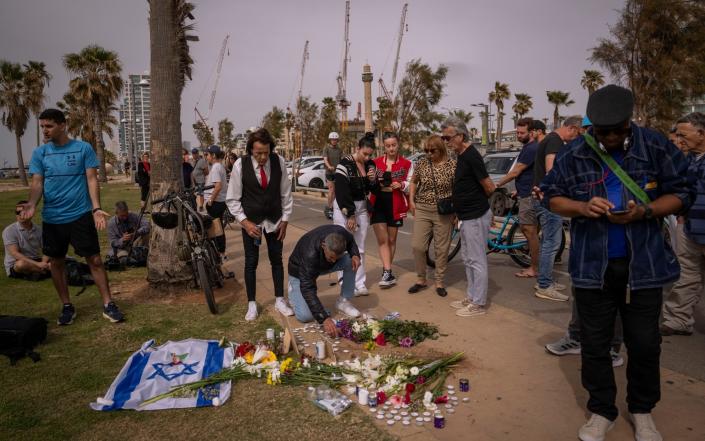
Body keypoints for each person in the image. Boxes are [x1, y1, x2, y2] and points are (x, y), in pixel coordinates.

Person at [543, 85, 691, 441]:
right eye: (602, 132)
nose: (609, 138)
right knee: (594, 343)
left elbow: (683, 192)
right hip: (592, 267)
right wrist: (581, 207)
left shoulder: (654, 145)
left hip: (645, 266)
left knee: (643, 343)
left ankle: (642, 411)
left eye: (617, 131)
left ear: (629, 123)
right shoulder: (575, 151)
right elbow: (551, 195)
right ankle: (601, 411)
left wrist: (647, 211)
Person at [21, 108, 125, 325]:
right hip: (53, 218)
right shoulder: (40, 153)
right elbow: (38, 183)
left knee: (95, 260)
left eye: (49, 126)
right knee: (56, 263)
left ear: (62, 125)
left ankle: (108, 304)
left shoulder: (82, 149)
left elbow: (92, 180)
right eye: (42, 127)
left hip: (80, 215)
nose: (45, 131)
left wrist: (96, 208)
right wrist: (31, 203)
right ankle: (67, 306)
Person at [226, 128, 294, 321]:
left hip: (275, 220)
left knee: (277, 260)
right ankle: (252, 304)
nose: (263, 157)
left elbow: (285, 194)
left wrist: (286, 219)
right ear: (251, 151)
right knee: (251, 262)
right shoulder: (241, 165)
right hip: (252, 222)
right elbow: (232, 199)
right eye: (258, 153)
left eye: (266, 152)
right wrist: (245, 223)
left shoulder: (278, 162)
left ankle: (280, 299)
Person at [444, 116, 496, 317]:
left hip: (475, 215)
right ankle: (472, 296)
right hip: (466, 216)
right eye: (444, 138)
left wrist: (481, 209)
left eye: (448, 137)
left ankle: (479, 303)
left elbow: (489, 187)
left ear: (460, 135)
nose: (446, 142)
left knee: (476, 259)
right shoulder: (462, 156)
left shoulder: (472, 156)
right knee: (467, 258)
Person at [661, 112, 705, 336]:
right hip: (689, 228)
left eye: (683, 134)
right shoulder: (687, 159)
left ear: (701, 133)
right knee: (686, 275)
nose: (679, 139)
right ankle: (678, 319)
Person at [532, 115, 582, 301]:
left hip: (543, 197)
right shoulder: (555, 142)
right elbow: (551, 170)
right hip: (549, 199)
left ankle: (545, 280)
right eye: (578, 134)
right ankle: (544, 285)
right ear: (572, 129)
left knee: (548, 241)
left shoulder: (548, 139)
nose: (577, 139)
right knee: (551, 243)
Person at [287, 225, 363, 333]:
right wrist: (324, 318)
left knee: (351, 261)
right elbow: (308, 288)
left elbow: (350, 241)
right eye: (331, 257)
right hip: (299, 271)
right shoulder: (310, 253)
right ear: (323, 245)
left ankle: (343, 301)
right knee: (305, 316)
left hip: (321, 266)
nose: (333, 261)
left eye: (336, 258)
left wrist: (355, 255)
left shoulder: (341, 234)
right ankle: (293, 291)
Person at [408, 135, 456, 297]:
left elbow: (457, 189)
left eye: (432, 150)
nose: (429, 153)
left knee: (441, 248)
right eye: (426, 150)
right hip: (422, 208)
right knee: (418, 246)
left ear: (440, 149)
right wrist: (411, 200)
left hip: (444, 211)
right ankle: (421, 279)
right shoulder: (422, 163)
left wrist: (456, 213)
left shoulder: (452, 165)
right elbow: (414, 181)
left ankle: (439, 281)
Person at [333, 132, 378, 297]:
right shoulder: (344, 164)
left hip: (362, 208)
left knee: (360, 247)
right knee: (343, 246)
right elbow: (341, 191)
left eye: (370, 155)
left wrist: (372, 180)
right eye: (364, 154)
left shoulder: (370, 165)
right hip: (345, 209)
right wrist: (350, 214)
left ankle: (360, 282)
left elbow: (373, 189)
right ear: (357, 148)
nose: (367, 158)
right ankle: (345, 282)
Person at [495, 117, 540, 278]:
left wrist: (496, 184)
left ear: (532, 132)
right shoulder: (530, 147)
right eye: (517, 133)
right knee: (528, 230)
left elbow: (516, 172)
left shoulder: (531, 148)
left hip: (528, 196)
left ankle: (534, 268)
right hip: (524, 193)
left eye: (522, 133)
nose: (519, 135)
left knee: (529, 232)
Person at [370, 131, 412, 288]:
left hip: (395, 202)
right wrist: (375, 182)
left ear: (398, 144)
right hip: (378, 202)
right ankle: (387, 272)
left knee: (392, 239)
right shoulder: (375, 162)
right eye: (388, 146)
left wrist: (401, 185)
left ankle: (387, 270)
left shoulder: (407, 164)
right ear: (384, 146)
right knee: (383, 240)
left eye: (394, 145)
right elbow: (369, 183)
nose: (391, 148)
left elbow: (410, 185)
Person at [3, 200, 50, 280]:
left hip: (34, 260)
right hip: (16, 263)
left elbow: (46, 249)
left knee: (55, 262)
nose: (20, 215)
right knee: (21, 264)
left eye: (23, 212)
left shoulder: (38, 230)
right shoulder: (9, 230)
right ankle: (45, 272)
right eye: (18, 213)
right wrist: (38, 264)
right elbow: (14, 253)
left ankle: (39, 271)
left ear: (31, 213)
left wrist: (44, 262)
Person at [203, 145, 228, 259]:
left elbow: (218, 186)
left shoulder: (216, 167)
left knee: (216, 229)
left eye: (207, 155)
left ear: (213, 155)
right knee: (218, 228)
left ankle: (219, 253)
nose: (206, 157)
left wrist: (210, 200)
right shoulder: (218, 166)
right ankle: (220, 252)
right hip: (219, 202)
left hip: (216, 203)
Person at [323, 132, 343, 219]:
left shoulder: (339, 149)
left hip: (338, 172)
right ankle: (330, 207)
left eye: (335, 140)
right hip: (329, 172)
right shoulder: (326, 149)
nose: (334, 141)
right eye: (332, 140)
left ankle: (334, 206)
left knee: (337, 191)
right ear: (330, 140)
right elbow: (325, 159)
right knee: (331, 190)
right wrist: (329, 166)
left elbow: (341, 159)